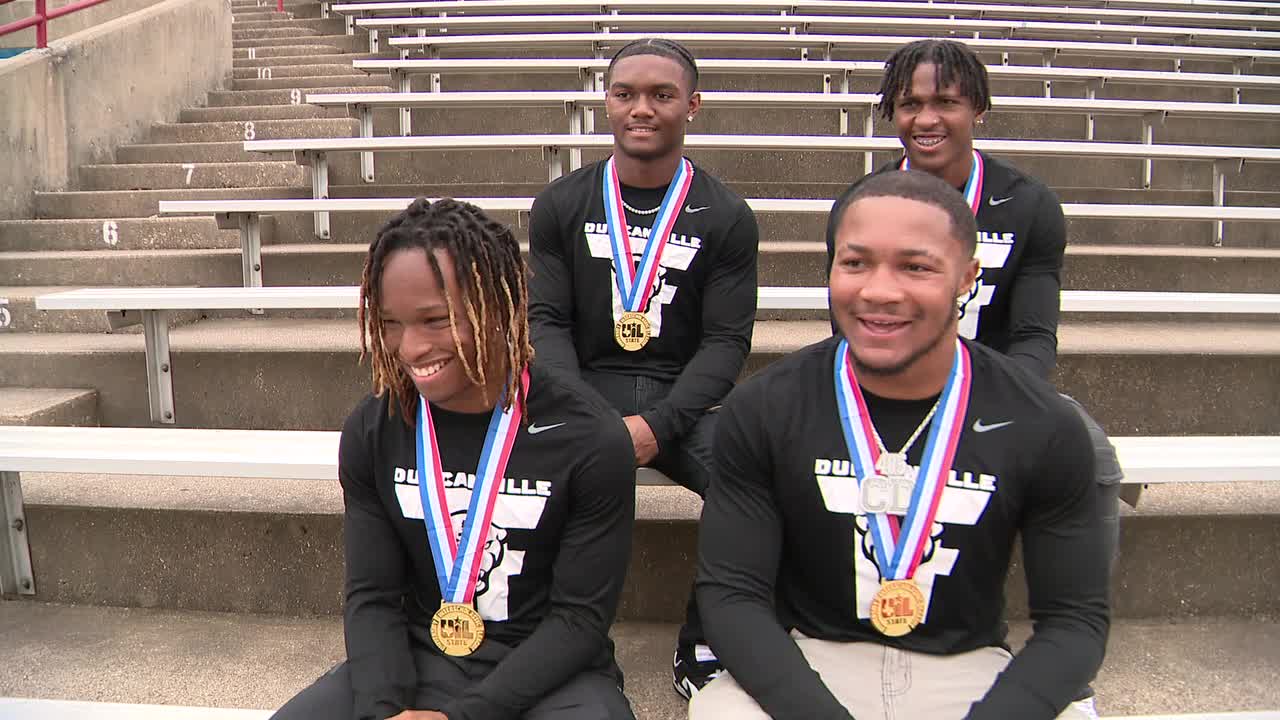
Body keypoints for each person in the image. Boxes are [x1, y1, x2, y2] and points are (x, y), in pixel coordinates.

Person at [694, 170, 1110, 720]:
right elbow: (732, 598)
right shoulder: (764, 408)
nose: (880, 291)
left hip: (970, 668)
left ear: (968, 277)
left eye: (915, 266)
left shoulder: (1041, 422)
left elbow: (1075, 621)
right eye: (856, 262)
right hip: (814, 660)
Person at [825, 40, 1124, 714]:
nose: (925, 118)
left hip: (996, 386)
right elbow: (849, 323)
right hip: (884, 385)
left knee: (1093, 452)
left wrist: (991, 403)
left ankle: (1067, 645)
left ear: (977, 109)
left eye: (945, 102)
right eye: (910, 104)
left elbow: (1032, 335)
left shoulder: (1028, 203)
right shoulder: (867, 200)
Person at [271, 198, 637, 720]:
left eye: (434, 320)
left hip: (546, 675)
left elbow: (579, 620)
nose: (409, 347)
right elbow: (372, 596)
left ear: (500, 305)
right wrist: (385, 708)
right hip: (418, 661)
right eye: (391, 322)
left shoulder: (590, 437)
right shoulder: (374, 428)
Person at [528, 38, 760, 700]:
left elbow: (724, 342)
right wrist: (591, 419)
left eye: (661, 95)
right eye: (625, 93)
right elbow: (548, 325)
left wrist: (657, 426)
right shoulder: (562, 204)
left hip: (684, 401)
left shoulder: (726, 215)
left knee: (751, 480)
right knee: (530, 465)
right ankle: (550, 634)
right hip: (582, 390)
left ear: (692, 104)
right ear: (606, 101)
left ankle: (709, 637)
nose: (642, 109)